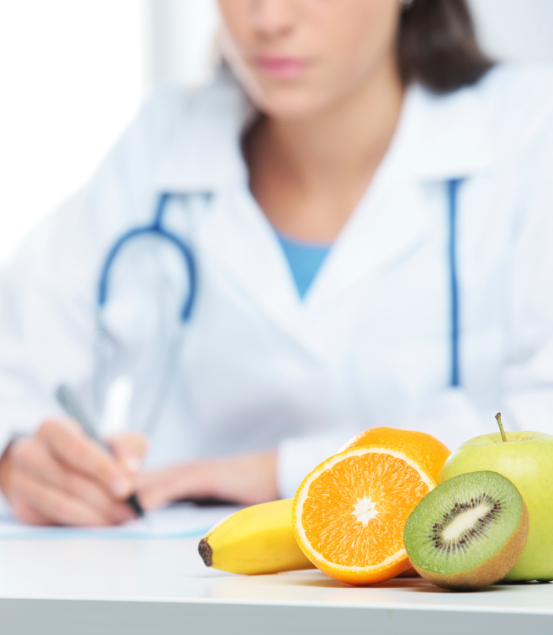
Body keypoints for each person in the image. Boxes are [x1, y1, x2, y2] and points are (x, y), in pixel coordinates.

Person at [1, 0, 553, 527]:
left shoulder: (526, 132)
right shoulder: (165, 141)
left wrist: (278, 471)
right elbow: (19, 346)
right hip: (189, 597)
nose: (268, 19)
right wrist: (19, 456)